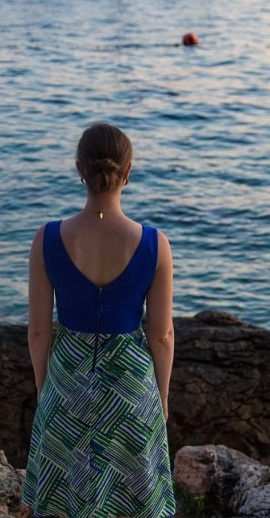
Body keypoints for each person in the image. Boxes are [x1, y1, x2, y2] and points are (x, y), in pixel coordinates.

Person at [22, 123, 176, 518]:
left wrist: (45, 387)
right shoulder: (155, 243)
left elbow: (39, 330)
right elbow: (161, 335)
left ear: (79, 170)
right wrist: (161, 396)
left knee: (63, 502)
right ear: (128, 173)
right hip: (130, 390)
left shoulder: (47, 238)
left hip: (67, 384)